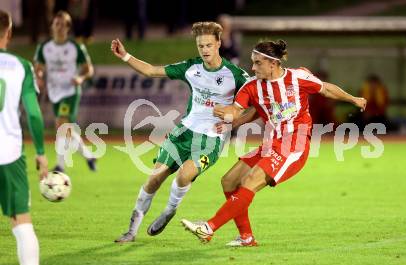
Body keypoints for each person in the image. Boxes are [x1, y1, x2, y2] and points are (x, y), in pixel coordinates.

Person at [181, 39, 367, 246]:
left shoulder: (298, 78)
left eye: (258, 63)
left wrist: (354, 99)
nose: (252, 67)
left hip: (294, 144)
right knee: (229, 181)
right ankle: (246, 238)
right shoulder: (251, 87)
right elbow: (241, 109)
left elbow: (326, 89)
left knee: (251, 181)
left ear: (273, 63)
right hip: (270, 145)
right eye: (252, 62)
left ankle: (208, 227)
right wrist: (229, 117)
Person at [111, 21, 250, 243]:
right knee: (154, 179)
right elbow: (151, 71)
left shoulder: (235, 74)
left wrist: (236, 121)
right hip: (183, 131)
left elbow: (256, 99)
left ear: (218, 44)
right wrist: (126, 56)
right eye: (200, 46)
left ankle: (169, 211)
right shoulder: (191, 68)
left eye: (208, 45)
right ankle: (131, 231)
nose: (204, 50)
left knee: (184, 175)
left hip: (211, 139)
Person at [0, 10, 48, 265]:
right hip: (8, 153)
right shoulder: (21, 66)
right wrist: (40, 152)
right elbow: (33, 113)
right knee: (21, 222)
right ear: (9, 32)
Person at [33, 11, 95, 173]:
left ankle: (60, 166)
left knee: (61, 125)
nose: (60, 27)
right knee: (66, 129)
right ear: (52, 26)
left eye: (63, 24)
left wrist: (81, 78)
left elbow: (89, 69)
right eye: (57, 24)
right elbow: (38, 68)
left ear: (68, 28)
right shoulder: (44, 47)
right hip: (54, 92)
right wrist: (39, 77)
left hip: (70, 91)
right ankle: (88, 155)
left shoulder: (76, 47)